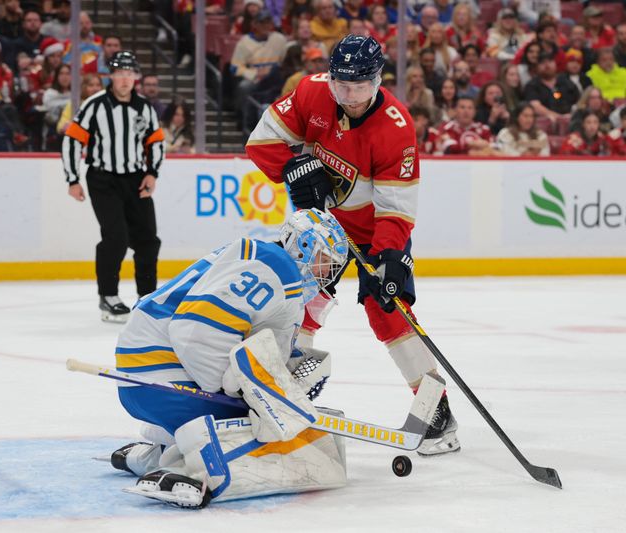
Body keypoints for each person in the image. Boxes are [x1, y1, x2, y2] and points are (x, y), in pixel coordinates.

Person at [245, 35, 459, 457]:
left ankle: (437, 411)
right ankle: (284, 390)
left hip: (372, 230)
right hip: (321, 226)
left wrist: (389, 256)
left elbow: (395, 208)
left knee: (386, 310)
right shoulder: (311, 91)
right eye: (343, 86)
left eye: (361, 87)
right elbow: (260, 142)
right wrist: (293, 167)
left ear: (378, 80)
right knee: (297, 298)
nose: (351, 97)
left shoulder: (396, 128)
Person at [109, 208, 349, 508]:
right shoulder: (277, 270)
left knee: (266, 415)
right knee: (269, 427)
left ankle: (154, 452)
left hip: (146, 380)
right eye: (323, 260)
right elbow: (196, 332)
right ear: (302, 247)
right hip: (161, 381)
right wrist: (244, 393)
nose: (326, 274)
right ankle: (184, 469)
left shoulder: (260, 258)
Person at [61, 51, 165, 323]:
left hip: (136, 179)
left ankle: (147, 297)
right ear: (111, 76)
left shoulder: (145, 107)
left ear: (136, 77)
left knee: (148, 240)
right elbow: (72, 140)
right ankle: (108, 296)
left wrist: (152, 173)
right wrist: (73, 178)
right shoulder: (95, 105)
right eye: (120, 73)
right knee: (116, 237)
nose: (125, 79)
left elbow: (155, 141)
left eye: (130, 73)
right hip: (103, 180)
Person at [523, 53, 579, 122]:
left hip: (570, 121)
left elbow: (578, 102)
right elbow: (535, 106)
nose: (547, 65)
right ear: (537, 67)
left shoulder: (566, 82)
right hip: (544, 123)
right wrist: (560, 118)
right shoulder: (532, 85)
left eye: (550, 61)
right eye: (542, 63)